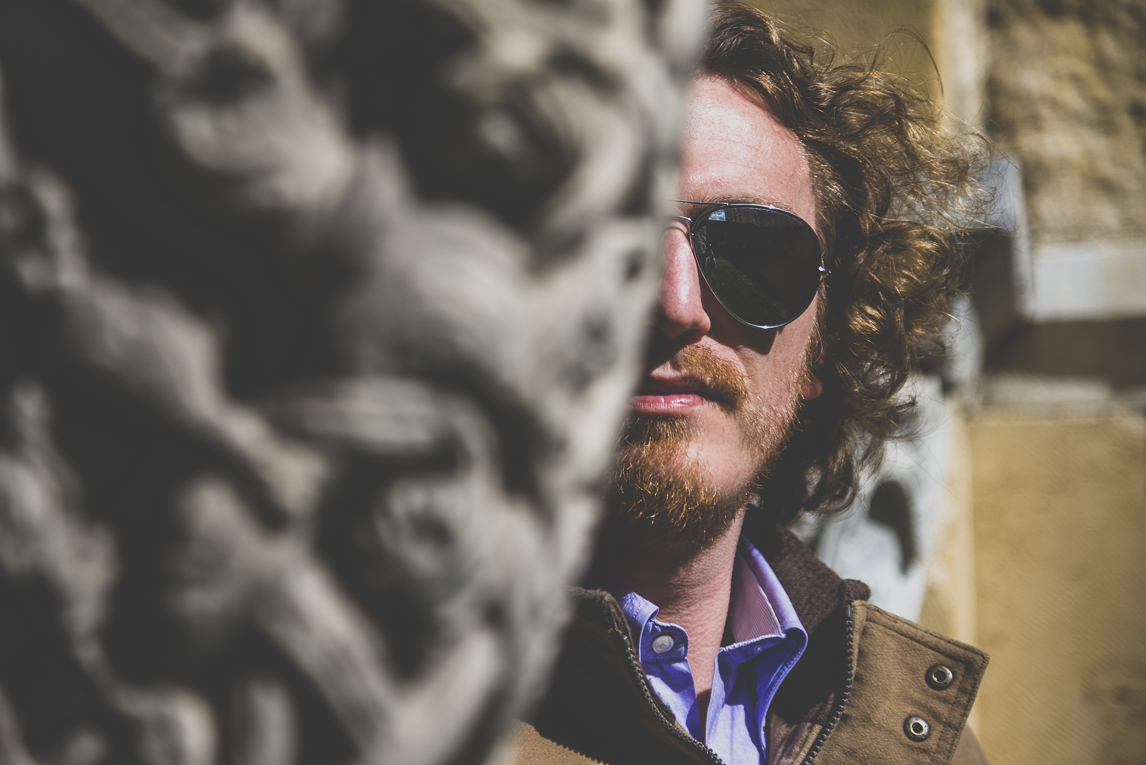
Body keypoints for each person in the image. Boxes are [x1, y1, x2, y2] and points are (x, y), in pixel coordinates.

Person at [511, 3, 990, 765]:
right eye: (607, 242)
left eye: (754, 256)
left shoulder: (934, 746)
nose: (674, 303)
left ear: (824, 348)